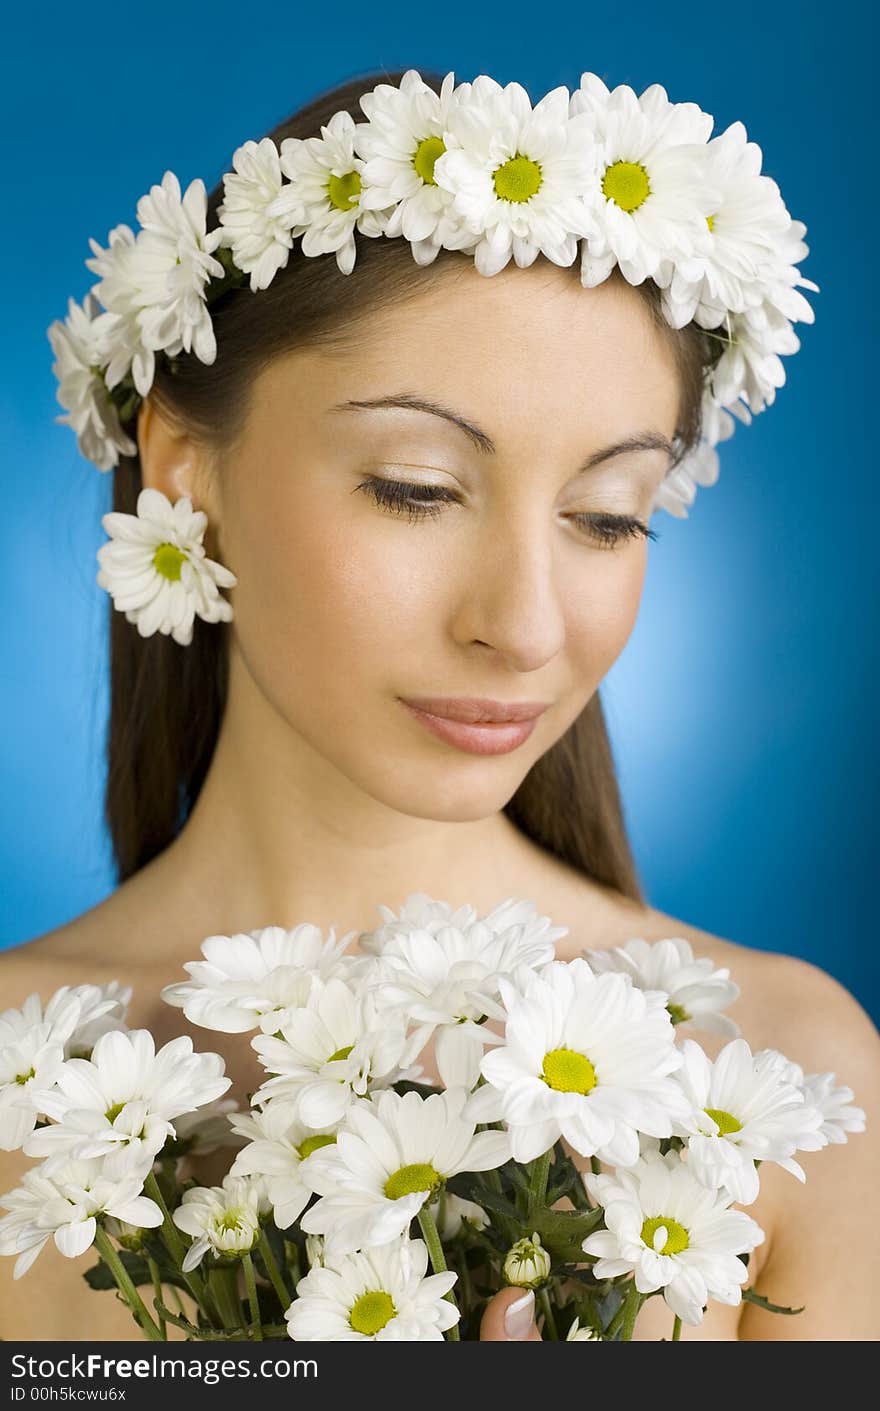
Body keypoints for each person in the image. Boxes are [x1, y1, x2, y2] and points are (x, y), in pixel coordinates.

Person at [1, 68, 877, 1342]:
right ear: (186, 462)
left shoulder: (797, 1072)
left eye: (606, 516)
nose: (522, 626)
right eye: (416, 488)